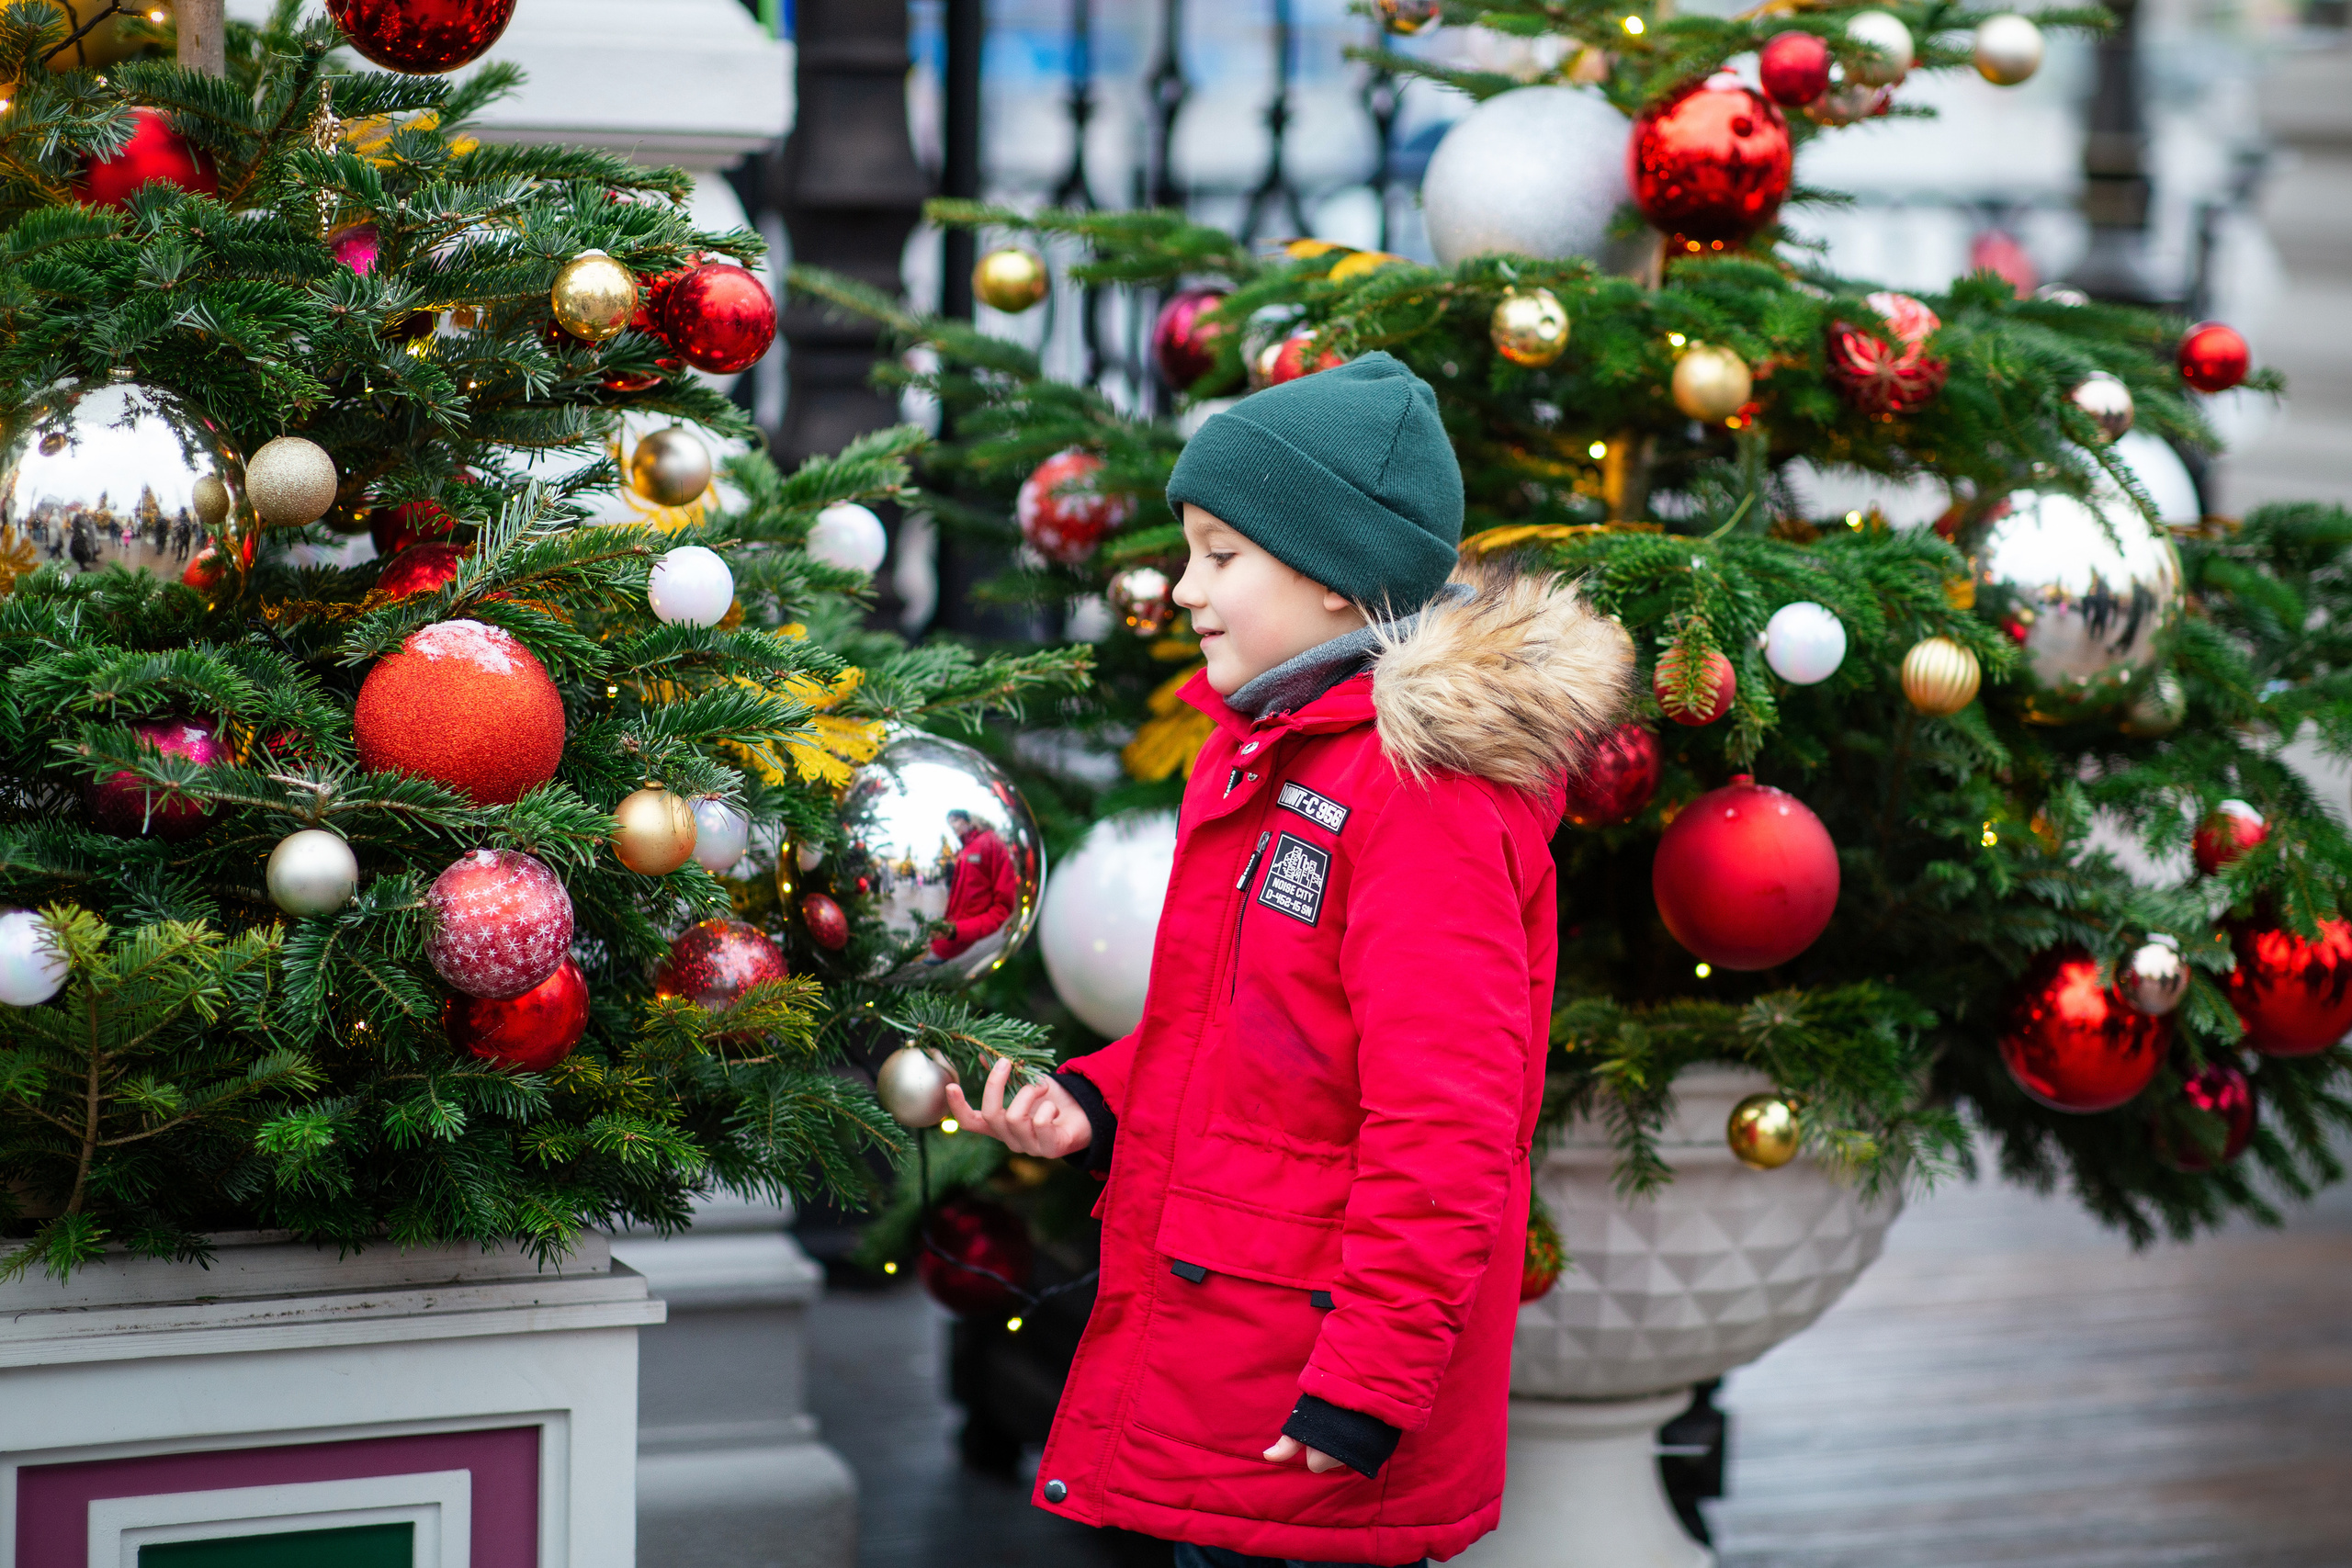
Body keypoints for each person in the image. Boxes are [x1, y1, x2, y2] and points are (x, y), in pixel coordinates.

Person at [947, 352, 1634, 1568]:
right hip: (1232, 1357)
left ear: (1334, 574)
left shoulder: (1421, 797)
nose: (1185, 584)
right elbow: (1247, 1031)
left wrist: (1367, 1382)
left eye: (1222, 553)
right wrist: (1096, 1097)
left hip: (1309, 1387)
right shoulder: (1271, 756)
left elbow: (1447, 1122)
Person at [930, 807, 1017, 960]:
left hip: (962, 939)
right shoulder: (967, 848)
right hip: (950, 935)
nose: (953, 826)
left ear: (968, 820)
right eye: (950, 823)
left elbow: (1001, 909)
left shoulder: (992, 843)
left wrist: (958, 931)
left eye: (956, 820)